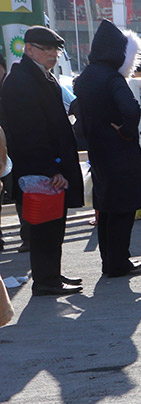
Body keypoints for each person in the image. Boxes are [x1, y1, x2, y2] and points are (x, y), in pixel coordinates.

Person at [0, 27, 84, 295]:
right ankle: (45, 280)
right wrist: (51, 169)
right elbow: (29, 133)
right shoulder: (20, 80)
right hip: (38, 168)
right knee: (42, 227)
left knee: (54, 223)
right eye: (46, 49)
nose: (53, 54)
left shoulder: (43, 76)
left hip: (50, 165)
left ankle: (52, 275)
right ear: (29, 49)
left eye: (56, 50)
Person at [74, 20, 141, 277]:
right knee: (124, 209)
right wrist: (126, 130)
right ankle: (119, 262)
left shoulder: (85, 77)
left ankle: (109, 261)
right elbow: (132, 108)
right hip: (120, 150)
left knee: (106, 208)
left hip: (97, 150)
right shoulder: (112, 78)